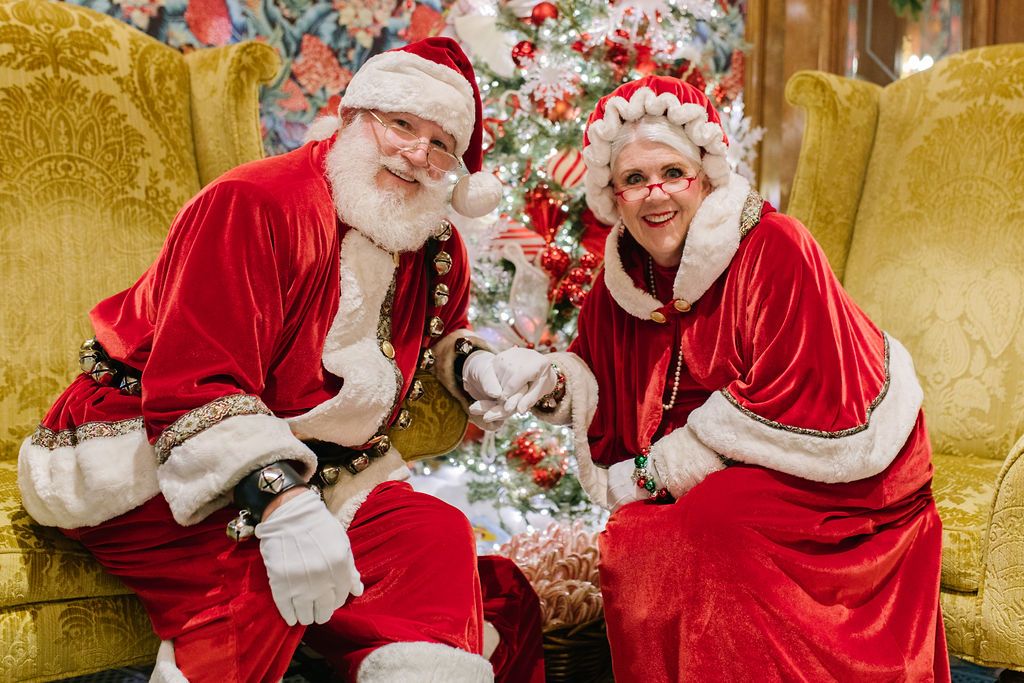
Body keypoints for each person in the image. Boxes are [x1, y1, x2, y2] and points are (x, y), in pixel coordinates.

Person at [18, 37, 546, 683]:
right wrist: (281, 502)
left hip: (320, 458)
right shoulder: (256, 202)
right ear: (355, 116)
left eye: (441, 144)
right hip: (148, 441)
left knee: (432, 534)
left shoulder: (432, 242)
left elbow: (440, 330)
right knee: (266, 574)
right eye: (402, 124)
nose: (417, 153)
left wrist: (477, 368)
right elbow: (193, 380)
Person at [488, 75, 950, 681]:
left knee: (713, 529)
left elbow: (808, 396)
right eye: (633, 179)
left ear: (703, 175)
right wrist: (547, 380)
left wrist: (654, 473)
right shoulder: (619, 286)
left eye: (671, 173)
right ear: (614, 197)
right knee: (638, 541)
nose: (655, 195)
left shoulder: (775, 246)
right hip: (710, 475)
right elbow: (600, 379)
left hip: (832, 465)